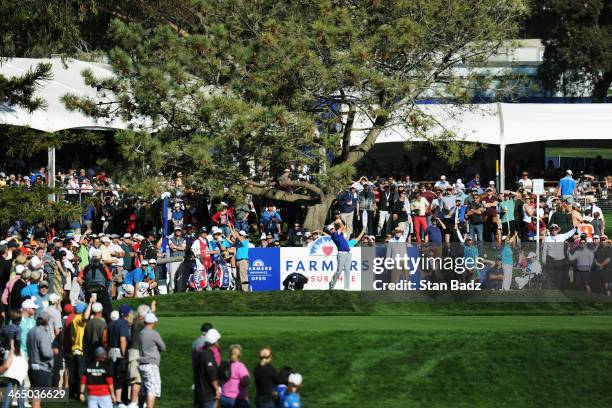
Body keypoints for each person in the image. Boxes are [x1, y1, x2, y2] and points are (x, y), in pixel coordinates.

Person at [27, 310, 54, 408]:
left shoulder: (30, 332)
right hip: (41, 368)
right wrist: (53, 352)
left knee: (36, 396)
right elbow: (46, 353)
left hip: (32, 367)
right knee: (37, 398)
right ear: (46, 321)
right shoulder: (43, 334)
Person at [138, 312, 166, 408]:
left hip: (142, 364)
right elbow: (163, 347)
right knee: (152, 389)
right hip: (151, 364)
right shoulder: (154, 333)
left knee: (144, 389)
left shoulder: (141, 333)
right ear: (152, 322)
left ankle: (140, 406)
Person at [78, 249, 112, 321]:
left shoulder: (86, 267)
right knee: (108, 309)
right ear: (100, 258)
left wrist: (84, 286)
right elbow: (110, 278)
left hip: (89, 290)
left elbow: (78, 279)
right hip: (101, 290)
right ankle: (109, 323)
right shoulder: (103, 267)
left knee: (88, 307)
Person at [108, 304, 132, 407]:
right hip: (118, 352)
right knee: (120, 376)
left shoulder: (112, 323)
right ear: (126, 314)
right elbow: (123, 340)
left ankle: (113, 399)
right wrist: (123, 354)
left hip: (111, 351)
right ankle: (119, 401)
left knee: (112, 376)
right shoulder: (123, 324)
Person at [542, 224, 577, 290]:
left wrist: (575, 228)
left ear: (557, 230)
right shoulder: (547, 239)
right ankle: (551, 288)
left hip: (560, 260)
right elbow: (544, 251)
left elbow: (569, 234)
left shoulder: (562, 236)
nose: (554, 231)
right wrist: (544, 260)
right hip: (551, 260)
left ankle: (559, 289)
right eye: (552, 230)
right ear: (551, 231)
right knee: (551, 275)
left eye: (555, 230)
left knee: (560, 275)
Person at [192, 330, 220, 408]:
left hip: (199, 392)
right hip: (208, 394)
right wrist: (217, 389)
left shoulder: (200, 353)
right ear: (215, 342)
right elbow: (211, 374)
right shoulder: (208, 355)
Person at [326, 222, 352, 290]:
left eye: (333, 228)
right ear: (330, 231)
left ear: (334, 228)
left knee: (347, 270)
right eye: (331, 229)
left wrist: (339, 223)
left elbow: (343, 228)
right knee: (339, 271)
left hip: (348, 253)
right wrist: (339, 222)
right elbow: (342, 226)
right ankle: (331, 285)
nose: (332, 230)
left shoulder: (339, 234)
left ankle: (347, 287)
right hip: (341, 254)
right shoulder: (334, 234)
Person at [232, 227, 250, 292]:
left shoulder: (245, 241)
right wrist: (230, 227)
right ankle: (242, 288)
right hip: (239, 261)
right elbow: (235, 235)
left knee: (243, 275)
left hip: (243, 261)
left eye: (240, 235)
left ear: (243, 236)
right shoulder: (239, 242)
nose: (239, 235)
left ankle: (245, 289)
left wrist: (235, 231)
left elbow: (237, 236)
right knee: (240, 275)